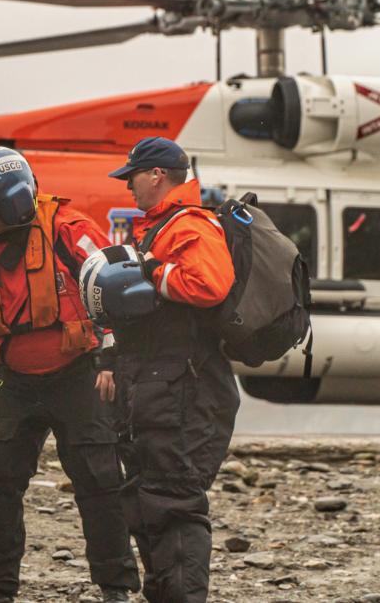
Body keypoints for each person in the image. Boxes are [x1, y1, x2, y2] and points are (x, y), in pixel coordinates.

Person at [0, 147, 139, 603]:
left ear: (11, 200)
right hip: (14, 378)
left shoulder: (67, 228)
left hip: (78, 373)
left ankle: (115, 586)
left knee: (99, 479)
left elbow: (116, 285)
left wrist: (109, 358)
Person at [105, 137, 240, 603]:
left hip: (183, 393)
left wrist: (150, 275)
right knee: (144, 499)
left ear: (157, 175)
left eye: (133, 178)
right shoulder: (161, 227)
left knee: (174, 503)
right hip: (155, 389)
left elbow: (210, 284)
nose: (129, 188)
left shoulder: (190, 225)